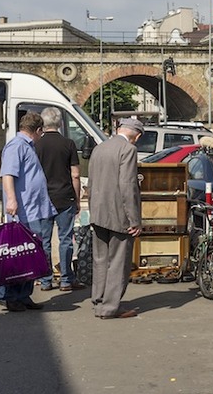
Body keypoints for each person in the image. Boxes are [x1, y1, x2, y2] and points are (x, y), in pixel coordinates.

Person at [0, 111, 55, 311]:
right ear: (38, 131)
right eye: (41, 133)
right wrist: (11, 199)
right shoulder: (17, 146)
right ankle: (9, 295)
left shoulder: (25, 146)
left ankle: (23, 295)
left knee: (31, 255)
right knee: (19, 255)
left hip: (33, 208)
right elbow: (8, 174)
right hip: (24, 210)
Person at [87, 118, 144, 319]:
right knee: (118, 262)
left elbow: (91, 183)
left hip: (99, 212)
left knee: (100, 259)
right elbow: (128, 186)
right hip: (119, 215)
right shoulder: (129, 150)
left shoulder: (99, 148)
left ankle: (99, 300)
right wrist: (134, 220)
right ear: (136, 136)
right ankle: (110, 307)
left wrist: (92, 211)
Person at [35, 107, 84, 292]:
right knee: (65, 239)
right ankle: (65, 279)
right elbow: (76, 175)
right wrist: (77, 199)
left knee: (44, 240)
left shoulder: (36, 145)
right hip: (65, 196)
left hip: (43, 199)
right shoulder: (68, 144)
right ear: (60, 123)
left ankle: (46, 279)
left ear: (43, 123)